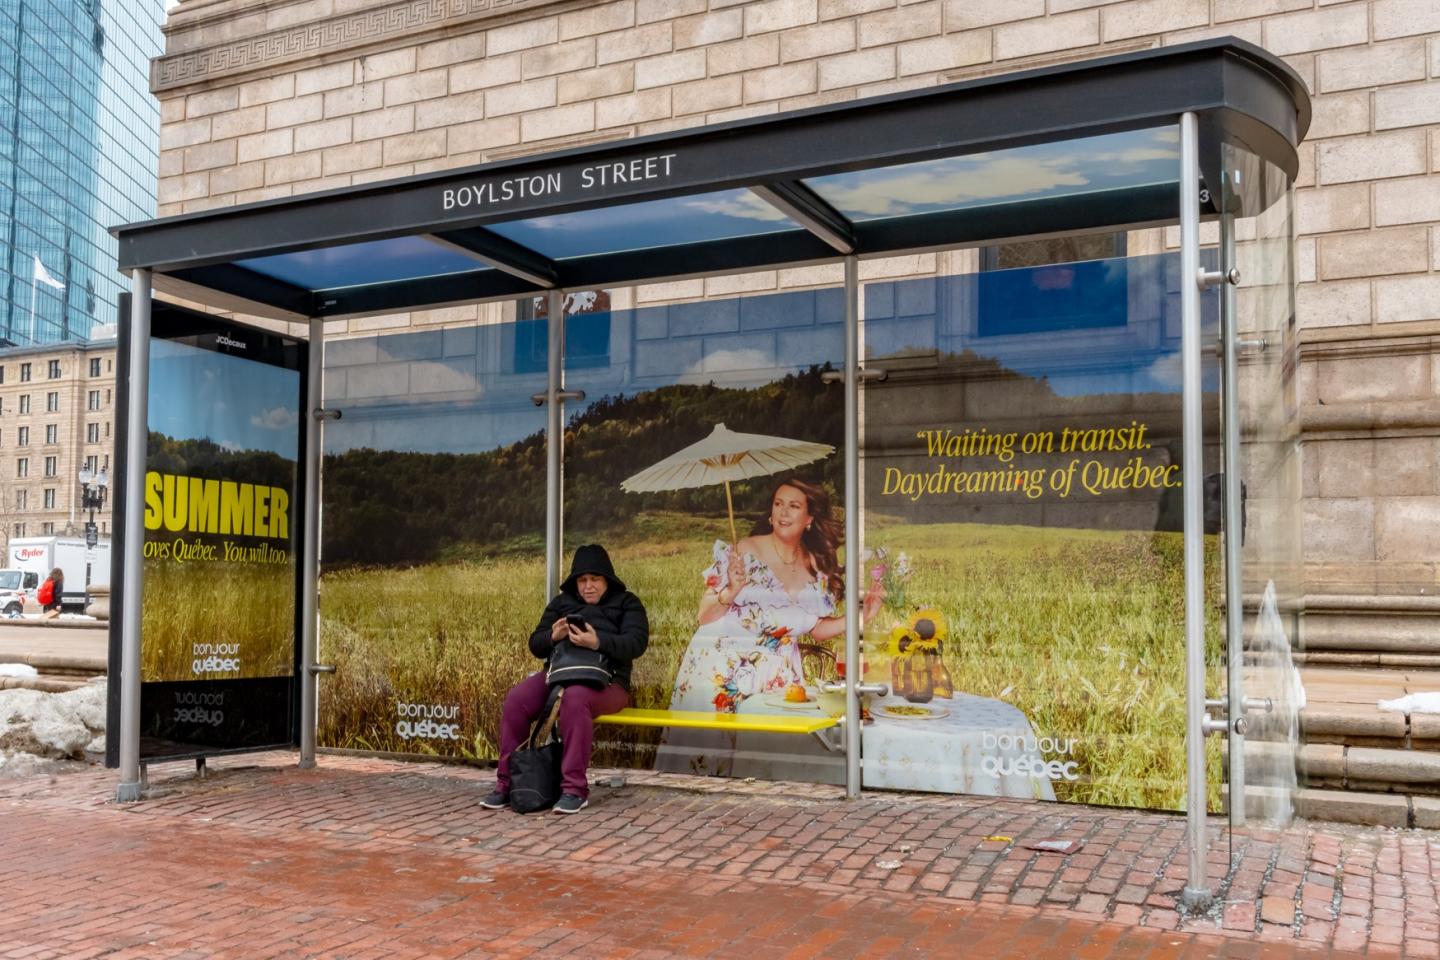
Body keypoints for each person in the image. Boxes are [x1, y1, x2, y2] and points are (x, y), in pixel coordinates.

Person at [655, 478, 883, 781]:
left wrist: (859, 620)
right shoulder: (742, 552)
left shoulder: (817, 566)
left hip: (777, 676)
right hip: (720, 669)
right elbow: (704, 615)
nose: (783, 513)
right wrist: (731, 591)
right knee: (707, 760)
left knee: (760, 766)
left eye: (793, 506)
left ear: (810, 519)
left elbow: (815, 628)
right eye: (778, 504)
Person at [482, 544, 648, 814]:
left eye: (595, 579)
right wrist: (552, 636)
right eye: (582, 580)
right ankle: (507, 783)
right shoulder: (562, 603)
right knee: (516, 700)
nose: (588, 586)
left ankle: (574, 789)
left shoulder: (628, 603)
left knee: (575, 698)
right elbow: (535, 644)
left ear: (607, 580)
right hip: (558, 676)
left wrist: (598, 642)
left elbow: (636, 643)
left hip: (609, 683)